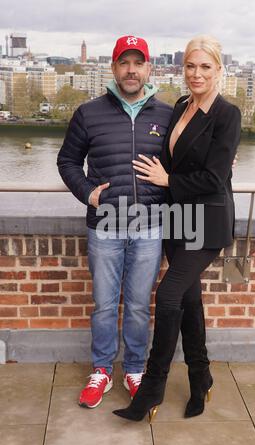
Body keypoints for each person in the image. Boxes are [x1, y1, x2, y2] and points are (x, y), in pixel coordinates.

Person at [113, 35, 241, 421]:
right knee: (188, 301)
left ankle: (151, 391)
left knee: (168, 296)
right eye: (190, 66)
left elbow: (215, 178)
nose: (196, 73)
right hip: (176, 219)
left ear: (219, 70)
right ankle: (201, 378)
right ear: (182, 68)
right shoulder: (182, 105)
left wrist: (167, 180)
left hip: (206, 221)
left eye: (205, 66)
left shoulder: (226, 114)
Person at [57, 36, 173, 408]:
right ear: (113, 68)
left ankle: (135, 368)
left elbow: (189, 160)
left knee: (139, 305)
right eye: (124, 62)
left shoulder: (167, 116)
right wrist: (88, 193)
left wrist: (220, 160)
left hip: (150, 226)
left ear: (149, 69)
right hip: (104, 224)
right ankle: (102, 369)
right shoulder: (89, 113)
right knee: (105, 304)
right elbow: (68, 162)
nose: (131, 70)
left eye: (138, 63)